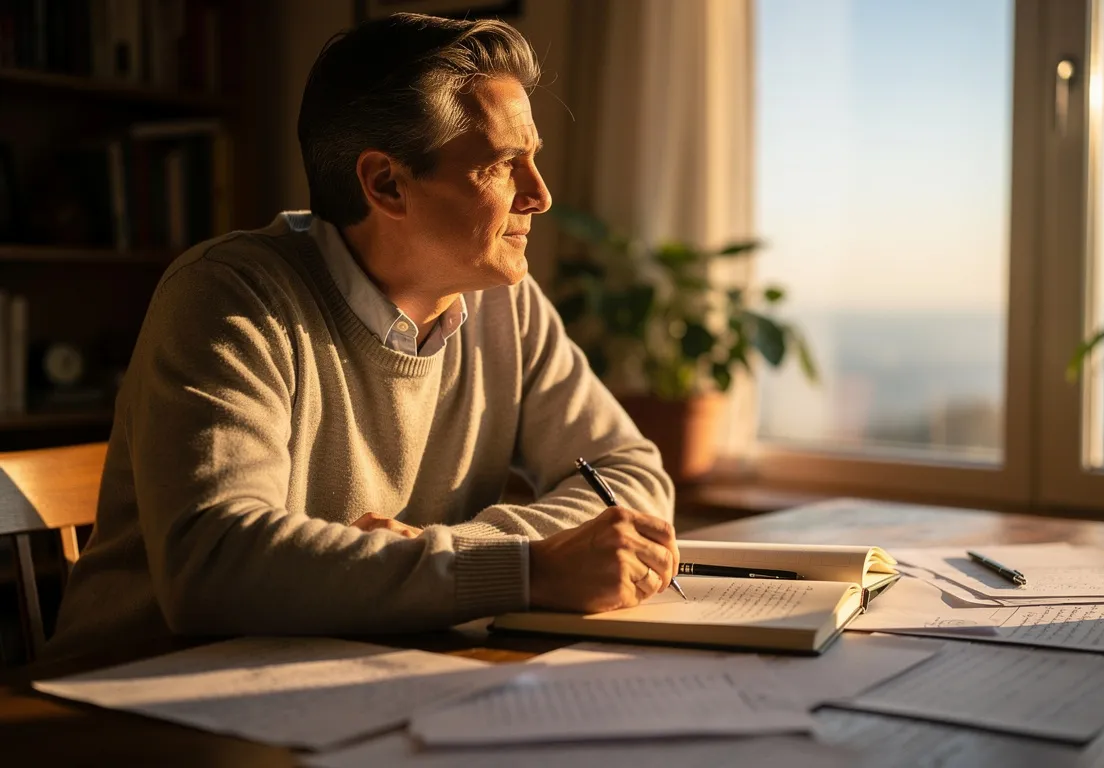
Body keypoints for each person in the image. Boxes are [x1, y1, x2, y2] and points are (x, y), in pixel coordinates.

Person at [47, 13, 677, 659]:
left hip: (347, 679)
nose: (539, 195)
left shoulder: (504, 307)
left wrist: (460, 556)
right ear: (386, 184)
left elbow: (632, 476)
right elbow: (216, 564)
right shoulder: (228, 298)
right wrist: (526, 569)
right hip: (135, 707)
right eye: (502, 165)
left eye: (533, 159)